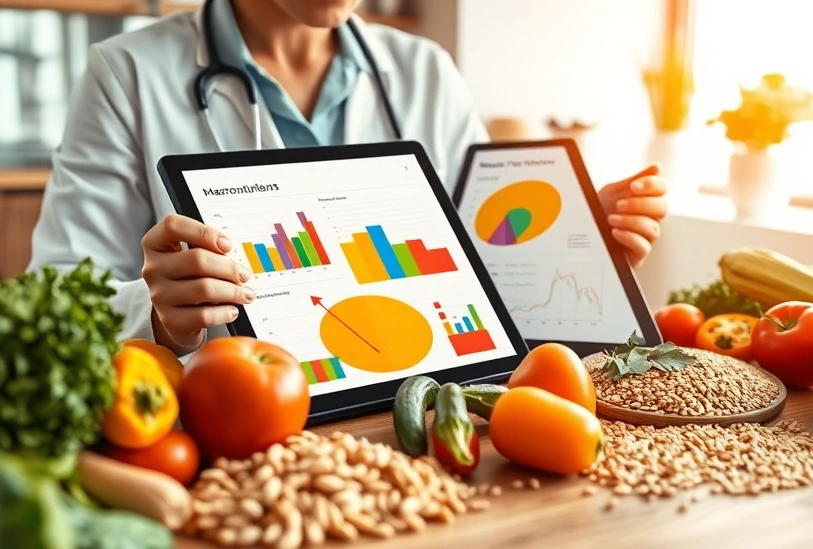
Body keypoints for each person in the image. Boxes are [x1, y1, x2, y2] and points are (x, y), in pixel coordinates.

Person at [29, 0, 668, 356]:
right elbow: (56, 297)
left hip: (405, 422)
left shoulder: (425, 70)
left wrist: (573, 239)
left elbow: (477, 265)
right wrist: (162, 315)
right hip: (235, 425)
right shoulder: (126, 72)